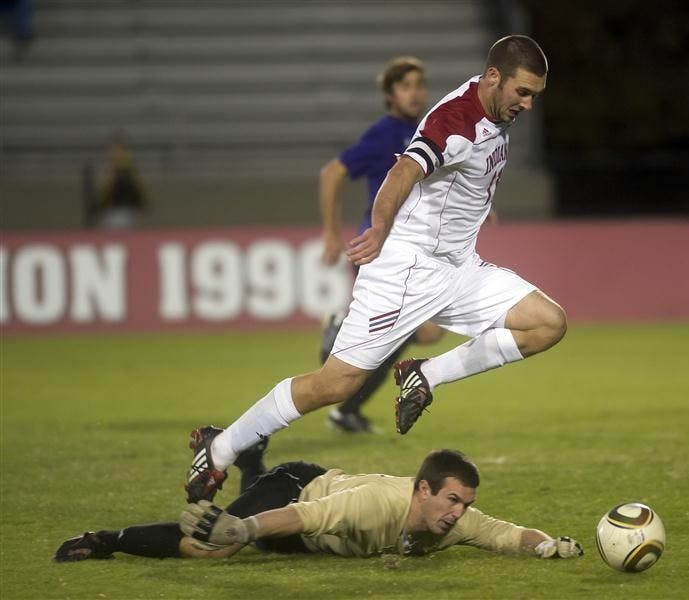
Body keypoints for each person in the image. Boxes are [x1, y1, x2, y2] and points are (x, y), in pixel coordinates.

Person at [185, 35, 565, 504]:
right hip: (408, 269)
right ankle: (219, 448)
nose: (527, 104)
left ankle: (425, 375)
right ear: (493, 78)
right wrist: (381, 228)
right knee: (335, 384)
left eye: (534, 95)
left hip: (459, 268)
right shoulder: (454, 121)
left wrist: (478, 203)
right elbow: (403, 172)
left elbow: (469, 168)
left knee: (547, 323)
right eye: (522, 92)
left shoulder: (492, 105)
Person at [55, 448, 583, 562]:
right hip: (297, 490)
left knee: (259, 539)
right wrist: (242, 531)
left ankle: (250, 460)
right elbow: (306, 516)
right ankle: (104, 540)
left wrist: (548, 547)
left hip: (307, 538)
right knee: (210, 548)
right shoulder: (376, 504)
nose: (458, 513)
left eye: (465, 504)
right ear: (422, 490)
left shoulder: (455, 520)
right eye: (452, 500)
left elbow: (506, 534)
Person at [318, 55, 444, 434]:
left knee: (419, 333)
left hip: (414, 250)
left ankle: (346, 409)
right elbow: (332, 173)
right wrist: (331, 232)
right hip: (380, 248)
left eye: (419, 85)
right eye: (405, 86)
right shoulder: (384, 134)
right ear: (389, 94)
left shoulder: (428, 130)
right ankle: (339, 335)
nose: (415, 93)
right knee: (412, 332)